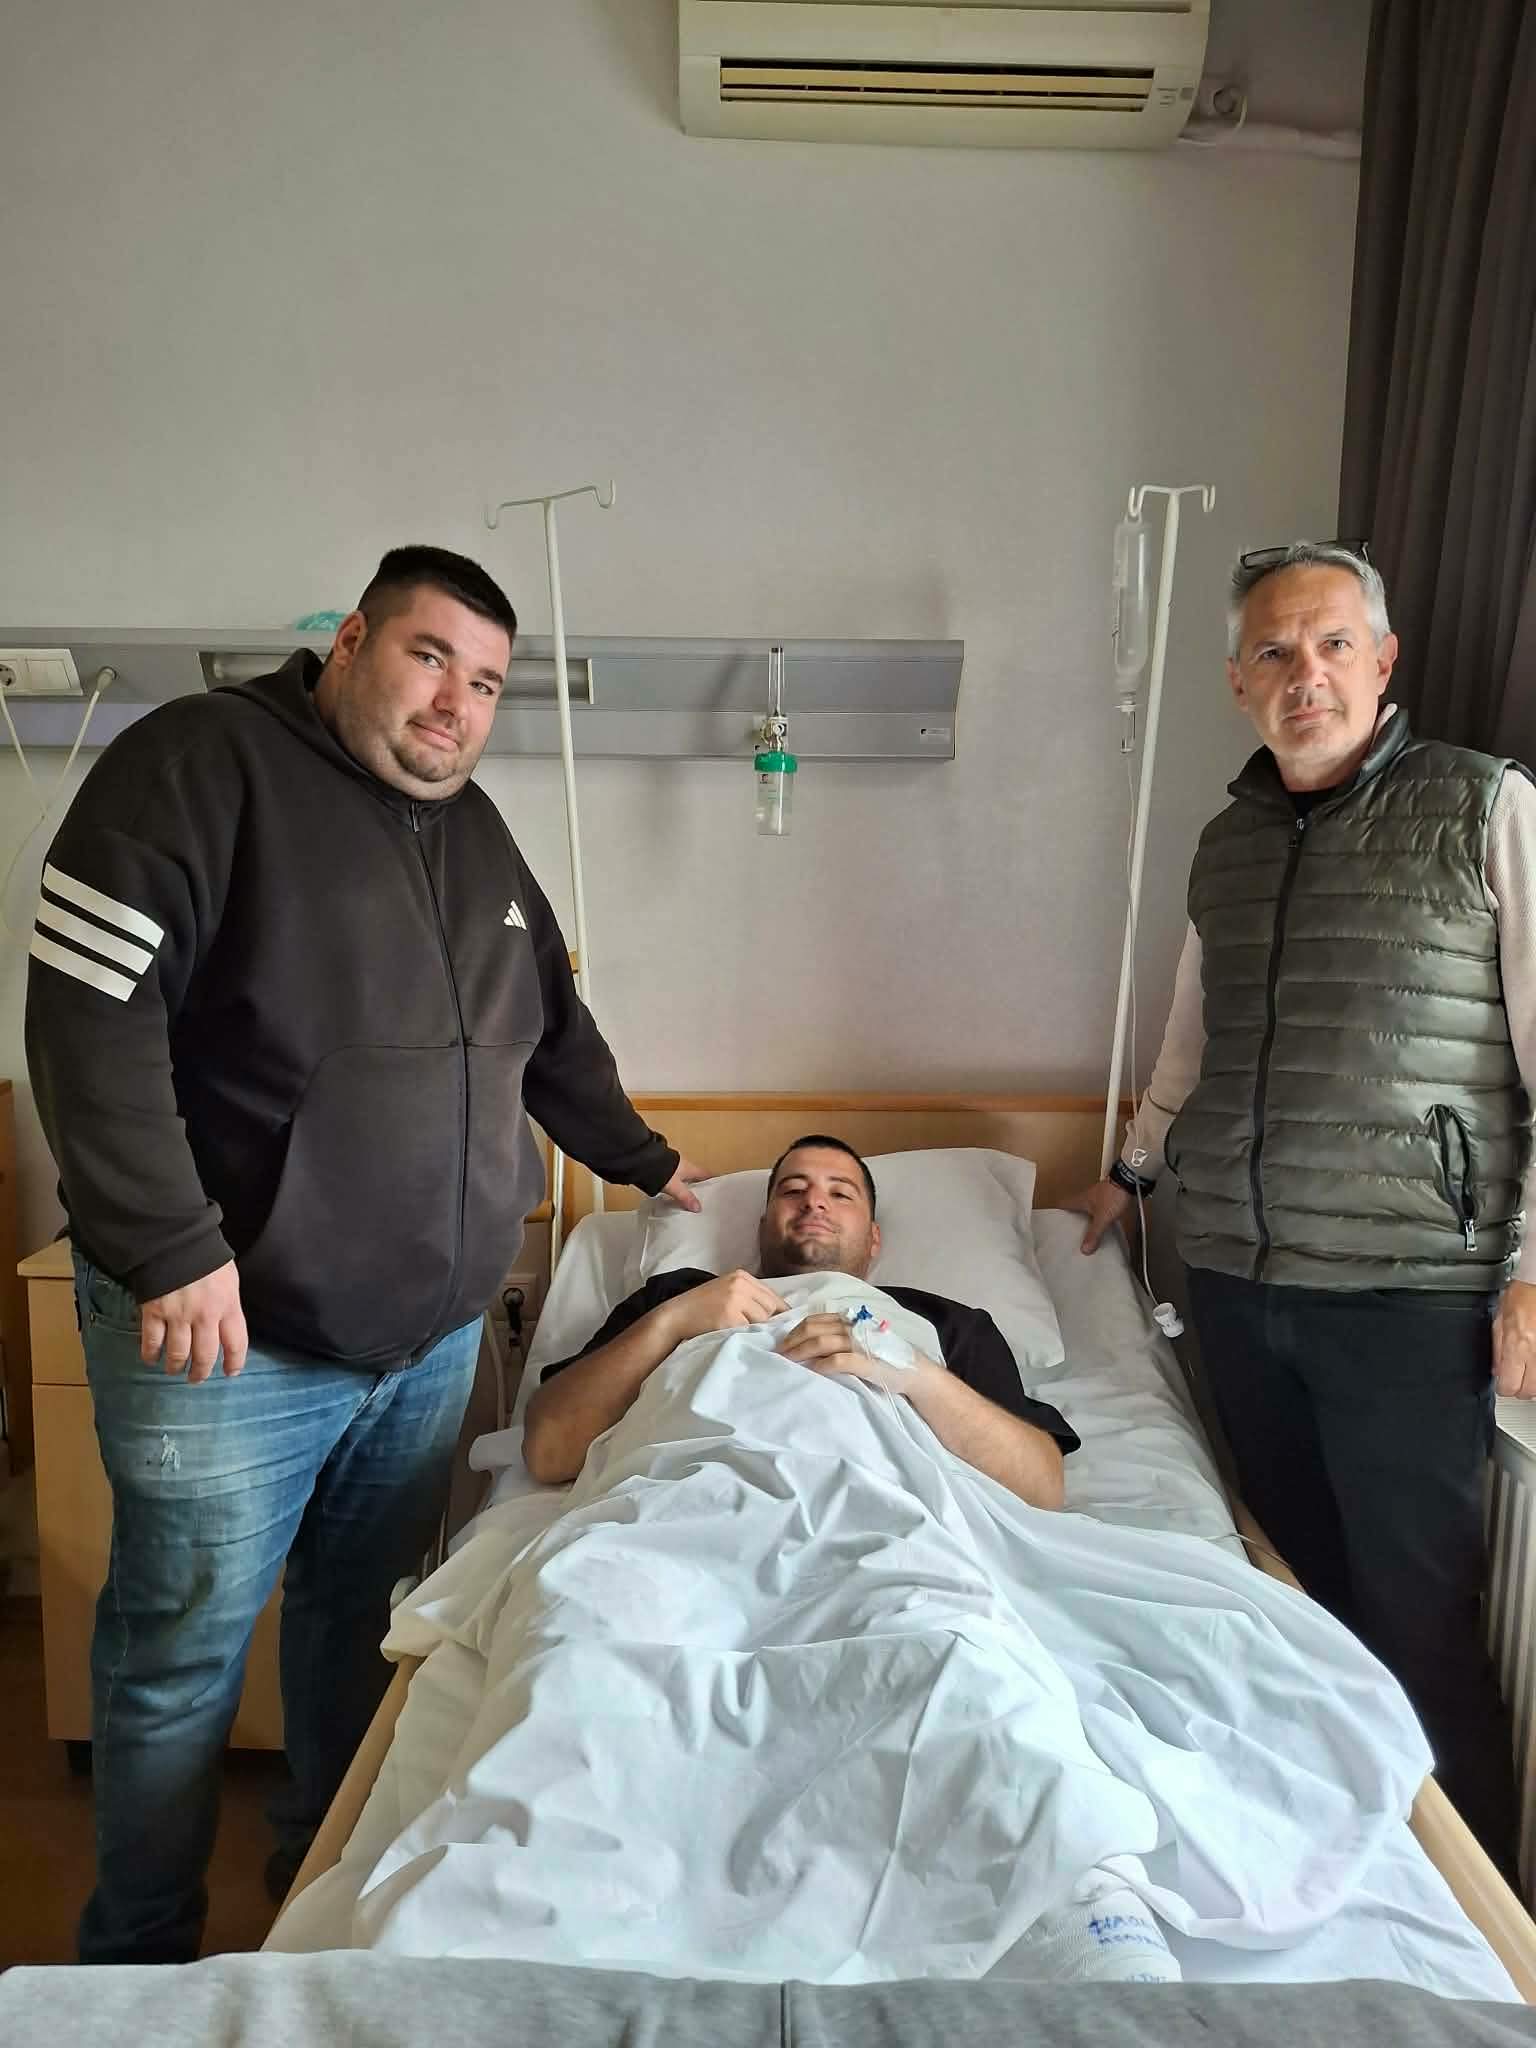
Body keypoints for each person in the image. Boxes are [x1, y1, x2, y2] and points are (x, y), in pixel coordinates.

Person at [24, 544, 705, 1964]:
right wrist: (169, 1244)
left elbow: (549, 1032)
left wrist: (641, 1156)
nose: (457, 702)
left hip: (424, 1345)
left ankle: (317, 1898)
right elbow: (88, 1017)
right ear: (348, 643)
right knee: (179, 1658)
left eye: (488, 682)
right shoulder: (197, 766)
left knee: (357, 1633)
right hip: (233, 1337)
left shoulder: (478, 835)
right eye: (429, 656)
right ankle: (137, 1957)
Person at [1067, 540, 1536, 1875]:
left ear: (1384, 661)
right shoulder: (1227, 846)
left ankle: (1475, 1921)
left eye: (1333, 644)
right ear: (1238, 681)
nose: (1304, 674)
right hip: (1237, 1283)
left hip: (1404, 1297)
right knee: (1299, 1609)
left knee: (1419, 1625)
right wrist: (1130, 1174)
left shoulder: (1484, 805)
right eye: (1273, 651)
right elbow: (1189, 1046)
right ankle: (1335, 1873)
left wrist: (1531, 1271)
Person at [524, 1135, 1077, 1507]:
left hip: (882, 1513)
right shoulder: (676, 1294)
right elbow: (549, 1451)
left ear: (875, 1238)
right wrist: (670, 1325)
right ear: (762, 1224)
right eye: (793, 1190)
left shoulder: (943, 1322)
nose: (815, 1203)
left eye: (840, 1194)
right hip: (684, 1502)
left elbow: (1041, 1487)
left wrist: (915, 1375)